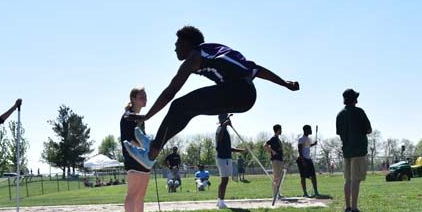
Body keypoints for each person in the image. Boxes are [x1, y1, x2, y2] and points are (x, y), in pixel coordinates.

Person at [124, 26, 299, 168]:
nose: (175, 47)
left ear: (188, 44)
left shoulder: (195, 56)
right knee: (186, 109)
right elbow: (257, 69)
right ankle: (154, 146)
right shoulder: (211, 51)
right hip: (243, 93)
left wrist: (147, 116)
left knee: (180, 105)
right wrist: (285, 84)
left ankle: (152, 152)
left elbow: (171, 90)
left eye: (178, 42)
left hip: (239, 92)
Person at [119, 87, 156, 212]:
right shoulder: (128, 116)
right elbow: (128, 140)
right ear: (133, 98)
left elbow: (142, 138)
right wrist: (146, 148)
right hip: (133, 157)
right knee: (132, 193)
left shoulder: (140, 118)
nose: (145, 99)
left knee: (141, 194)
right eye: (141, 97)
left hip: (143, 159)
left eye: (145, 96)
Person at [336, 89, 372, 212]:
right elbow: (368, 129)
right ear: (353, 99)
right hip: (359, 151)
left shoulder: (340, 115)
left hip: (346, 151)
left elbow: (339, 132)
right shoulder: (359, 112)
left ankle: (347, 207)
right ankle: (354, 208)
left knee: (348, 180)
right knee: (356, 180)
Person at [215, 114, 246, 208]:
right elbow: (219, 139)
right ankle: (220, 202)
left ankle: (219, 201)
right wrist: (224, 125)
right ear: (223, 120)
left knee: (225, 180)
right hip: (222, 158)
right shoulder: (220, 129)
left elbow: (229, 148)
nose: (229, 120)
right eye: (227, 118)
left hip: (226, 158)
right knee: (224, 180)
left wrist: (241, 151)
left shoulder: (225, 130)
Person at [297, 124, 320, 198]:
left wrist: (314, 144)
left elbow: (307, 146)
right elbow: (300, 150)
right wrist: (303, 160)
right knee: (303, 176)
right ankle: (305, 193)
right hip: (302, 159)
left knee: (313, 175)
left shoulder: (308, 139)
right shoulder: (301, 139)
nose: (311, 131)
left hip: (308, 159)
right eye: (310, 129)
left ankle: (316, 192)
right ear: (306, 130)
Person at [264, 124, 285, 199]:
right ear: (278, 130)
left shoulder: (278, 139)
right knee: (276, 177)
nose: (281, 131)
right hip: (275, 160)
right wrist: (272, 151)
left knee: (279, 178)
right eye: (280, 129)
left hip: (280, 160)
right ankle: (274, 194)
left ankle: (278, 193)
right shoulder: (273, 138)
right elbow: (265, 146)